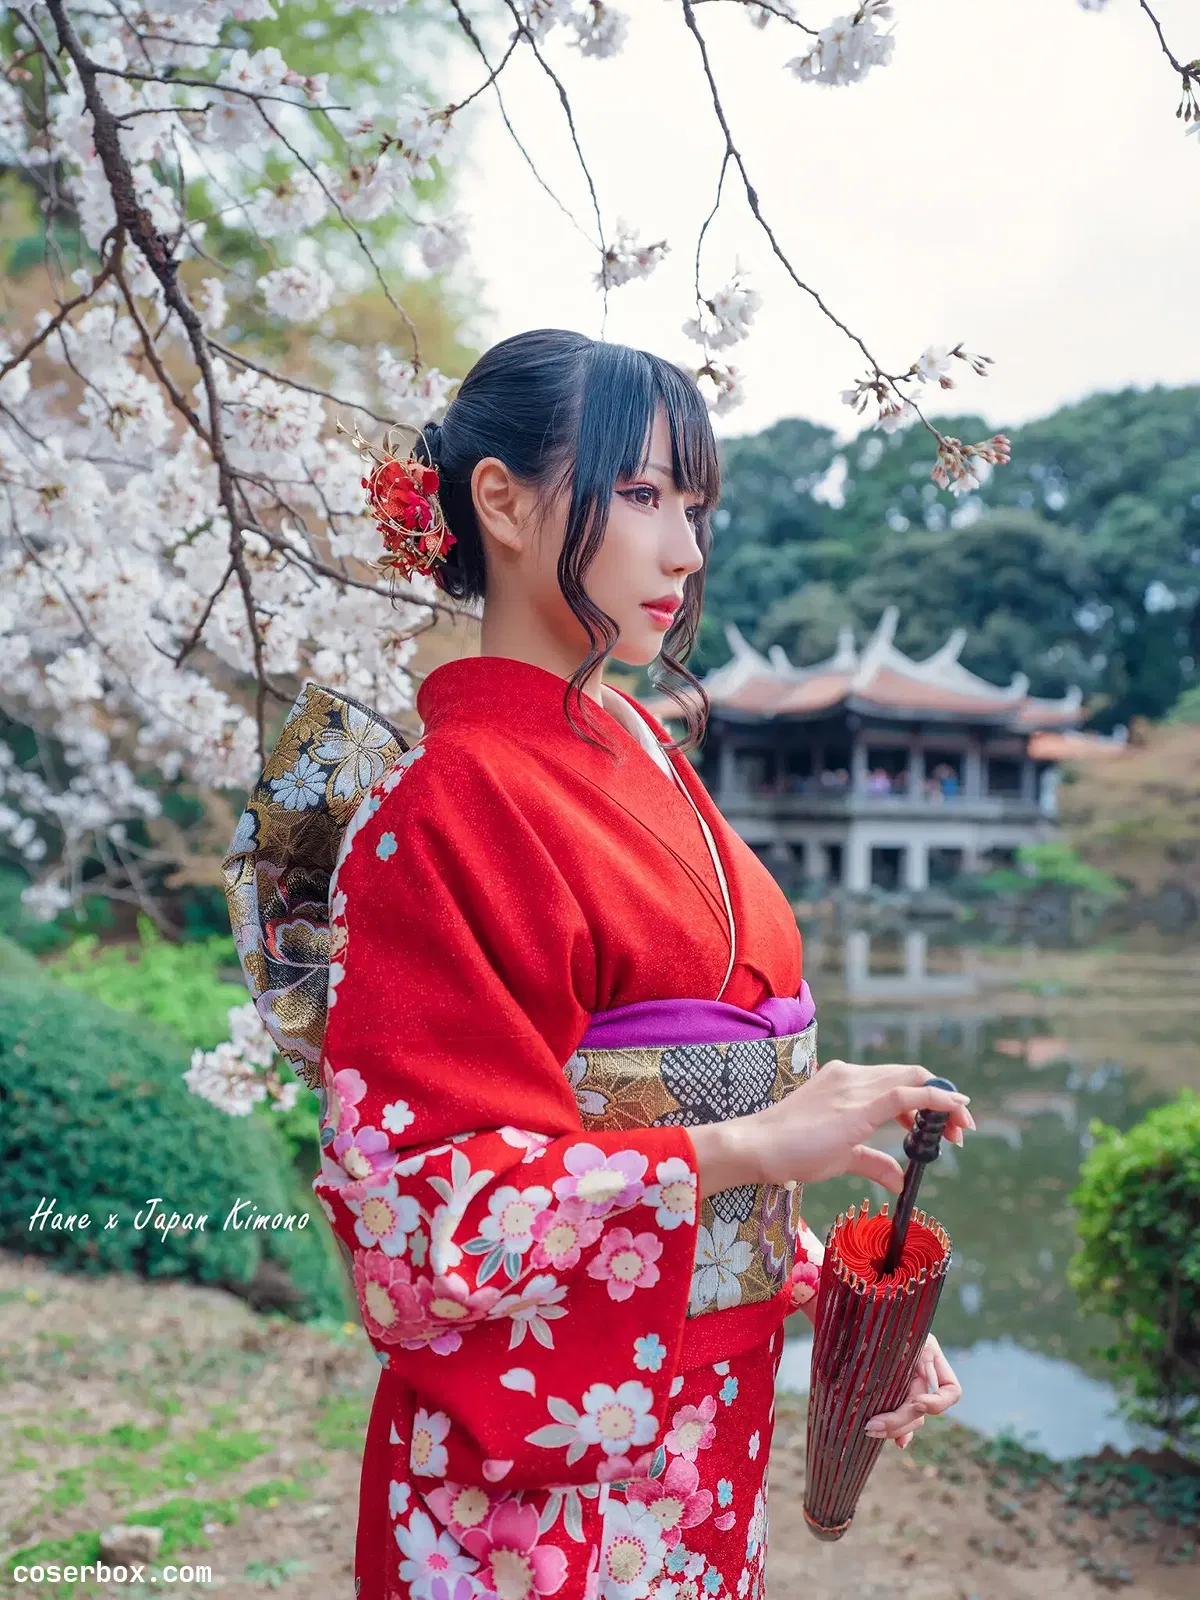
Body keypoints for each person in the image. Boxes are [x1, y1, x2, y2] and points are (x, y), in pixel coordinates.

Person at [308, 331, 972, 1600]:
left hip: (706, 1432)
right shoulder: (442, 805)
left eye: (695, 506)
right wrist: (747, 1145)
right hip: (529, 1491)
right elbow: (416, 1216)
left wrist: (844, 1306)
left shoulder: (645, 748)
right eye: (642, 493)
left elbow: (712, 1123)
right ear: (502, 501)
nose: (686, 550)